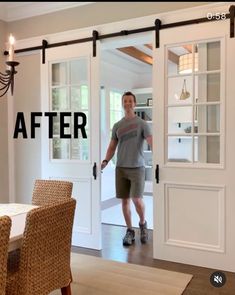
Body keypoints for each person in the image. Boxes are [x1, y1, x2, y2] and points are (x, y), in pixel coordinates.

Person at [101, 91, 152, 246]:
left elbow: (151, 141)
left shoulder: (142, 124)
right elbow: (112, 147)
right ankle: (129, 231)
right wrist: (105, 161)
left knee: (137, 199)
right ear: (123, 104)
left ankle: (142, 224)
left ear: (134, 104)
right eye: (125, 101)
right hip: (121, 168)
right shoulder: (117, 126)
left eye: (130, 101)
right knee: (125, 201)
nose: (128, 103)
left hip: (137, 167)